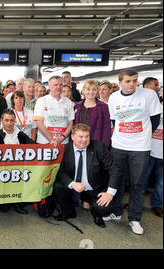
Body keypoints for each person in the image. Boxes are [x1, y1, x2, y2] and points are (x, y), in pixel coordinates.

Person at [105, 69, 162, 235]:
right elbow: (115, 120)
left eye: (135, 81)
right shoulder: (114, 97)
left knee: (138, 183)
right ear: (120, 82)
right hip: (119, 145)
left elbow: (155, 120)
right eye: (128, 81)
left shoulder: (148, 95)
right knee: (117, 180)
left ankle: (134, 218)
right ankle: (115, 212)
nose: (132, 84)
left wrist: (143, 135)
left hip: (140, 147)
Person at [53, 124, 122, 228]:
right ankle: (68, 211)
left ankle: (97, 213)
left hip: (95, 187)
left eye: (87, 136)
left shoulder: (99, 147)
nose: (84, 140)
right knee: (58, 186)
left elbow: (115, 169)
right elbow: (60, 172)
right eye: (80, 136)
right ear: (72, 137)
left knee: (105, 207)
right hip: (74, 186)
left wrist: (109, 193)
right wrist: (72, 184)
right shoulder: (64, 149)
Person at [34, 75, 75, 147]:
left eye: (60, 85)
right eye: (55, 85)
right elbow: (39, 123)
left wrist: (62, 137)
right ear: (49, 86)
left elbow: (70, 123)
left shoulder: (68, 102)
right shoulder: (41, 101)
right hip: (45, 142)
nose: (58, 87)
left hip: (63, 143)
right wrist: (52, 140)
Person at [74, 80, 111, 148]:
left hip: (97, 143)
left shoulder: (103, 107)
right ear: (83, 91)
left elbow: (107, 128)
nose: (91, 92)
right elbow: (73, 125)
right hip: (79, 142)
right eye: (88, 89)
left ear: (97, 91)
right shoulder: (77, 106)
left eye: (94, 89)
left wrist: (104, 145)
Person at [144, 97, 163, 218]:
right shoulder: (153, 107)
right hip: (148, 150)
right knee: (142, 179)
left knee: (161, 182)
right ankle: (136, 203)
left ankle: (157, 204)